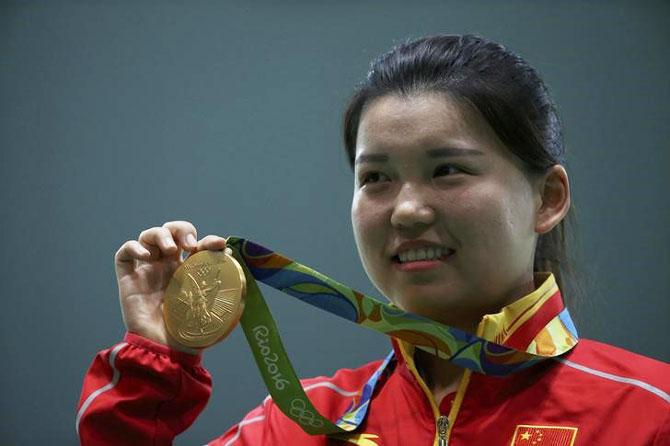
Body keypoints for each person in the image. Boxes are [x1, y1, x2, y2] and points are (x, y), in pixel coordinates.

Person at [76, 34, 669, 445]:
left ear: (548, 199)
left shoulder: (650, 414)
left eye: (448, 170)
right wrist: (155, 363)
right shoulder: (304, 423)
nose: (407, 210)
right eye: (376, 178)